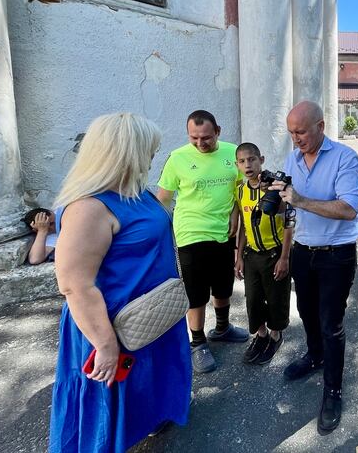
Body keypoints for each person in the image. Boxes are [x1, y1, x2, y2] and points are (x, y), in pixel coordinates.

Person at [49, 113, 191, 453]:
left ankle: (152, 418)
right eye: (149, 150)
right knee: (109, 397)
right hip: (113, 327)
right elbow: (74, 284)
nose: (152, 156)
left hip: (151, 314)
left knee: (148, 383)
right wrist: (105, 345)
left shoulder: (134, 191)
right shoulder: (89, 208)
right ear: (126, 151)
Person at [270, 101, 358, 432]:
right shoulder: (293, 157)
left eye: (302, 131)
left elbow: (349, 209)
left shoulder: (345, 159)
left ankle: (333, 390)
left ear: (321, 126)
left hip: (336, 255)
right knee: (307, 312)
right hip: (303, 251)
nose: (296, 139)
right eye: (291, 132)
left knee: (330, 323)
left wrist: (301, 200)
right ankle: (315, 355)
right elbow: (290, 206)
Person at [157, 110, 248, 375]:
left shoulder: (234, 153)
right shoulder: (178, 158)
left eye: (206, 138)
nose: (200, 143)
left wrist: (234, 212)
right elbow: (163, 199)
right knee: (196, 293)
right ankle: (197, 342)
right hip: (190, 233)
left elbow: (241, 190)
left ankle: (222, 328)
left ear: (218, 131)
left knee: (223, 286)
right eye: (194, 138)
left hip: (223, 232)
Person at [233, 142, 292, 365]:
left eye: (252, 159)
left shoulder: (275, 189)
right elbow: (243, 226)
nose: (248, 165)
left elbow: (288, 223)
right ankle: (261, 334)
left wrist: (285, 257)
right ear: (237, 164)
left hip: (274, 253)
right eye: (242, 161)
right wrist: (238, 256)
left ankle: (275, 336)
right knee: (253, 299)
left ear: (262, 160)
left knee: (276, 297)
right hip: (251, 255)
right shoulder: (239, 190)